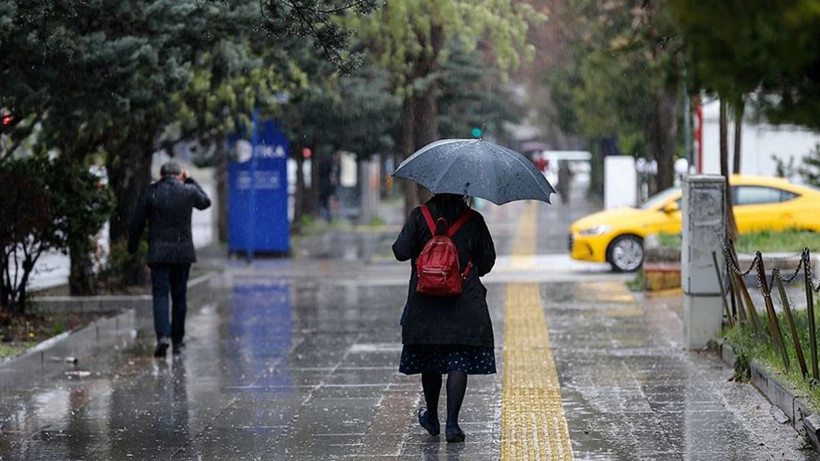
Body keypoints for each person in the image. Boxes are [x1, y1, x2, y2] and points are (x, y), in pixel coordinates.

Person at [392, 193, 496, 443]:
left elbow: (400, 251)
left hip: (425, 303)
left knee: (430, 359)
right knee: (457, 360)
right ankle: (452, 425)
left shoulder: (420, 216)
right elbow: (487, 261)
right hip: (463, 303)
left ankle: (432, 418)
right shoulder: (473, 219)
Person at [128, 161, 211, 357]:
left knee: (160, 295)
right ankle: (178, 341)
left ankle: (163, 337)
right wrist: (190, 179)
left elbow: (137, 221)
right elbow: (205, 202)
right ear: (180, 174)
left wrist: (132, 247)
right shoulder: (188, 190)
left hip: (158, 253)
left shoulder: (151, 192)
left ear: (161, 174)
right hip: (183, 253)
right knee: (180, 296)